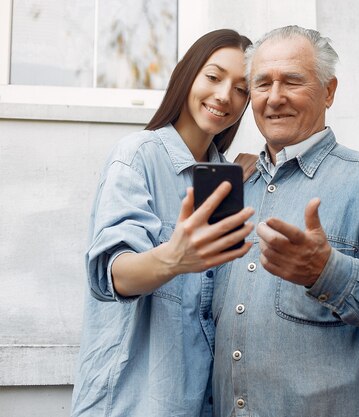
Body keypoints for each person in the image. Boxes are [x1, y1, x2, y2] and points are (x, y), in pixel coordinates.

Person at [211, 25, 359, 417]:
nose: (274, 97)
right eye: (262, 83)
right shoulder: (236, 186)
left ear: (329, 91)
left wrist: (328, 272)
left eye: (292, 81)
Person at [71, 29, 255, 417]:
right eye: (214, 76)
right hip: (133, 403)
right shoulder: (138, 155)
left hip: (202, 403)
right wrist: (174, 257)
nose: (225, 95)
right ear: (187, 75)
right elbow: (115, 275)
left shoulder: (225, 177)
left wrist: (239, 182)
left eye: (242, 88)